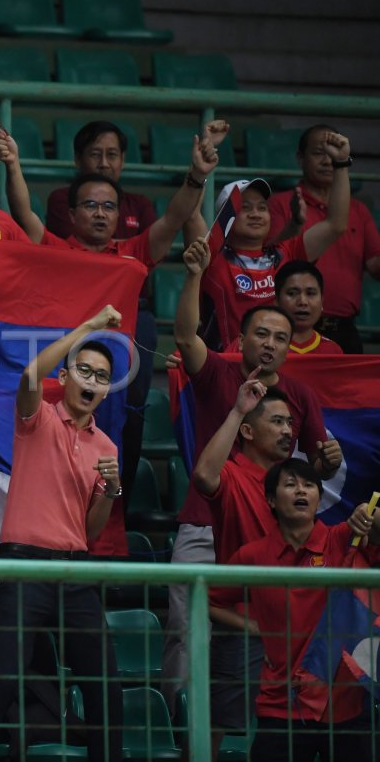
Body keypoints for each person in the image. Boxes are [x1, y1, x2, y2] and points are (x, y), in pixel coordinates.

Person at [0, 121, 224, 553]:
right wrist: (13, 166)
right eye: (90, 206)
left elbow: (176, 216)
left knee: (104, 476)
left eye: (108, 207)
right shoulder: (57, 251)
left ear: (119, 216)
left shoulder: (133, 254)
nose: (100, 213)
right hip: (62, 384)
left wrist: (196, 176)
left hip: (114, 389)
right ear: (73, 213)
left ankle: (96, 553)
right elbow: (23, 215)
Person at [161, 236, 341, 717]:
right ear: (242, 340)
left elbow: (316, 466)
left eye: (281, 338)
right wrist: (195, 274)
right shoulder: (218, 371)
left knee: (267, 646)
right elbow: (183, 337)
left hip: (268, 536)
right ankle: (181, 719)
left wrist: (329, 458)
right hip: (205, 522)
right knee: (187, 624)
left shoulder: (301, 394)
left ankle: (256, 731)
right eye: (262, 334)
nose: (271, 344)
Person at [0, 306, 126, 762]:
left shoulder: (106, 445)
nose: (92, 381)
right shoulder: (38, 419)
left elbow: (90, 529)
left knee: (105, 682)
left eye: (102, 376)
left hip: (75, 571)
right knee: (5, 677)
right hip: (22, 566)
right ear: (67, 376)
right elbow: (30, 374)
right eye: (85, 371)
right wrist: (90, 326)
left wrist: (110, 491)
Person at [210, 459, 380, 761]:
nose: (301, 490)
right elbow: (208, 598)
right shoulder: (253, 556)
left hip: (344, 706)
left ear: (318, 497)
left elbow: (376, 532)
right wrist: (251, 627)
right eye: (290, 484)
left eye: (309, 485)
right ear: (272, 500)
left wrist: (371, 517)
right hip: (281, 704)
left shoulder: (343, 540)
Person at [191, 380, 308, 753]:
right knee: (214, 732)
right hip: (243, 630)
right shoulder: (234, 475)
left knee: (286, 737)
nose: (287, 431)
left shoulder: (294, 487)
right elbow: (204, 477)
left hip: (295, 635)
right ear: (247, 431)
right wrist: (239, 408)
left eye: (290, 423)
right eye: (277, 422)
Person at [203, 129, 351, 347]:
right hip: (227, 368)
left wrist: (340, 163)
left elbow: (336, 225)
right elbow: (189, 220)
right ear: (227, 217)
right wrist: (200, 170)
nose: (256, 214)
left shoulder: (284, 254)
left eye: (262, 207)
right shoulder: (213, 259)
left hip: (275, 367)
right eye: (245, 208)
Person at [269, 123, 380, 354]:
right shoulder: (281, 204)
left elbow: (376, 267)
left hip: (344, 329)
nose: (328, 160)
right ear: (300, 158)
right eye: (319, 153)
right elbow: (274, 259)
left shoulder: (358, 211)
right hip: (291, 327)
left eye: (333, 154)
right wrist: (295, 224)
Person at [45, 121, 157, 240]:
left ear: (122, 160)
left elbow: (155, 249)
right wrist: (135, 249)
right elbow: (79, 247)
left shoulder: (140, 204)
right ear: (78, 159)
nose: (104, 164)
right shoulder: (62, 199)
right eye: (95, 155)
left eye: (112, 155)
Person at [224, 261, 343, 355]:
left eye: (311, 293)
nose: (302, 302)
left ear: (322, 301)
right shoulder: (249, 344)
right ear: (277, 301)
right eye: (292, 293)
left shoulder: (333, 350)